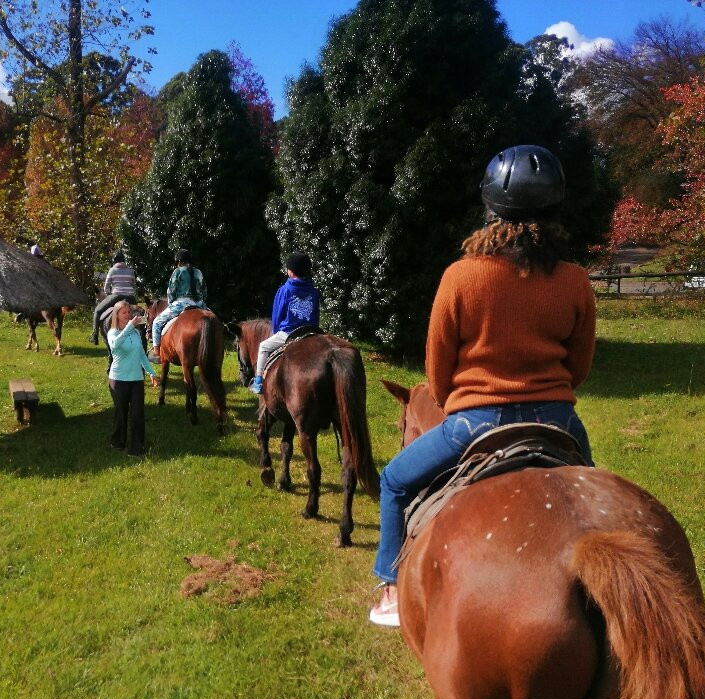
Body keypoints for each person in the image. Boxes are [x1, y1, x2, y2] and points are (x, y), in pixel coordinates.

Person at [369, 145, 596, 629]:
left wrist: (460, 402)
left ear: (490, 212)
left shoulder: (460, 276)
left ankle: (390, 586)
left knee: (392, 480)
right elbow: (579, 366)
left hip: (475, 423)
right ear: (556, 211)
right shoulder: (576, 281)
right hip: (559, 420)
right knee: (596, 502)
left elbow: (437, 369)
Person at [248, 250, 321, 394]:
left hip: (289, 333)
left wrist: (276, 331)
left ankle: (258, 382)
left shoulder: (285, 290)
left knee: (263, 347)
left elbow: (277, 315)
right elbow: (316, 314)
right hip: (311, 332)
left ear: (291, 271)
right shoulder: (313, 290)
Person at [106, 301, 159, 457]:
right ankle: (117, 442)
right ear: (117, 315)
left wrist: (151, 373)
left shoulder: (136, 333)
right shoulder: (113, 333)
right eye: (124, 313)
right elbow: (115, 346)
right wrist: (129, 327)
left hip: (136, 379)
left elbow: (142, 355)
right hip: (118, 379)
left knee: (137, 414)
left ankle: (136, 448)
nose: (128, 315)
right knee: (121, 413)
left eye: (130, 312)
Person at [148, 249, 206, 363]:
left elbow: (171, 291)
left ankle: (156, 353)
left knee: (156, 323)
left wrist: (171, 303)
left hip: (181, 303)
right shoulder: (199, 272)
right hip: (199, 304)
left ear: (179, 261)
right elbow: (204, 291)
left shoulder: (178, 271)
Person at [91, 251, 138, 345]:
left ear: (115, 261)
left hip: (116, 296)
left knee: (97, 310)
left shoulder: (112, 270)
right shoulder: (131, 271)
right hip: (130, 297)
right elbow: (133, 285)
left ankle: (94, 335)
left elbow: (106, 287)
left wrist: (108, 293)